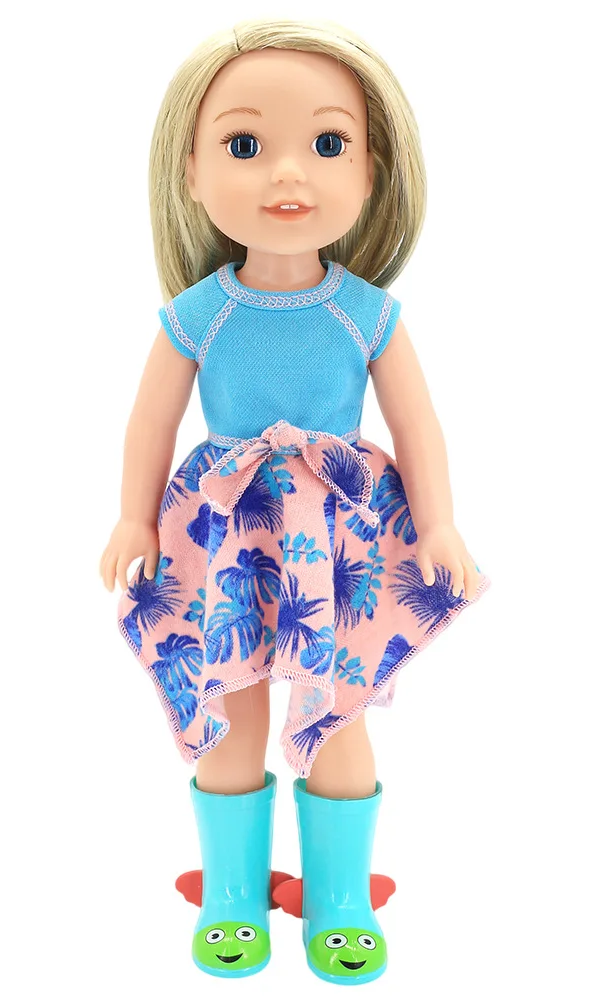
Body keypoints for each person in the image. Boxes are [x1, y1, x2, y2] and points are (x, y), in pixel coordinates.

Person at [99, 18, 491, 985]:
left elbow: (419, 424)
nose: (288, 174)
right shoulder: (201, 313)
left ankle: (340, 896)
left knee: (337, 709)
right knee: (230, 703)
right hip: (227, 534)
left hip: (341, 540)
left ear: (372, 172)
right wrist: (133, 517)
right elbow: (150, 423)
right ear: (191, 173)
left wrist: (439, 520)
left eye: (327, 144)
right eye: (244, 144)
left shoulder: (365, 311)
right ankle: (233, 893)